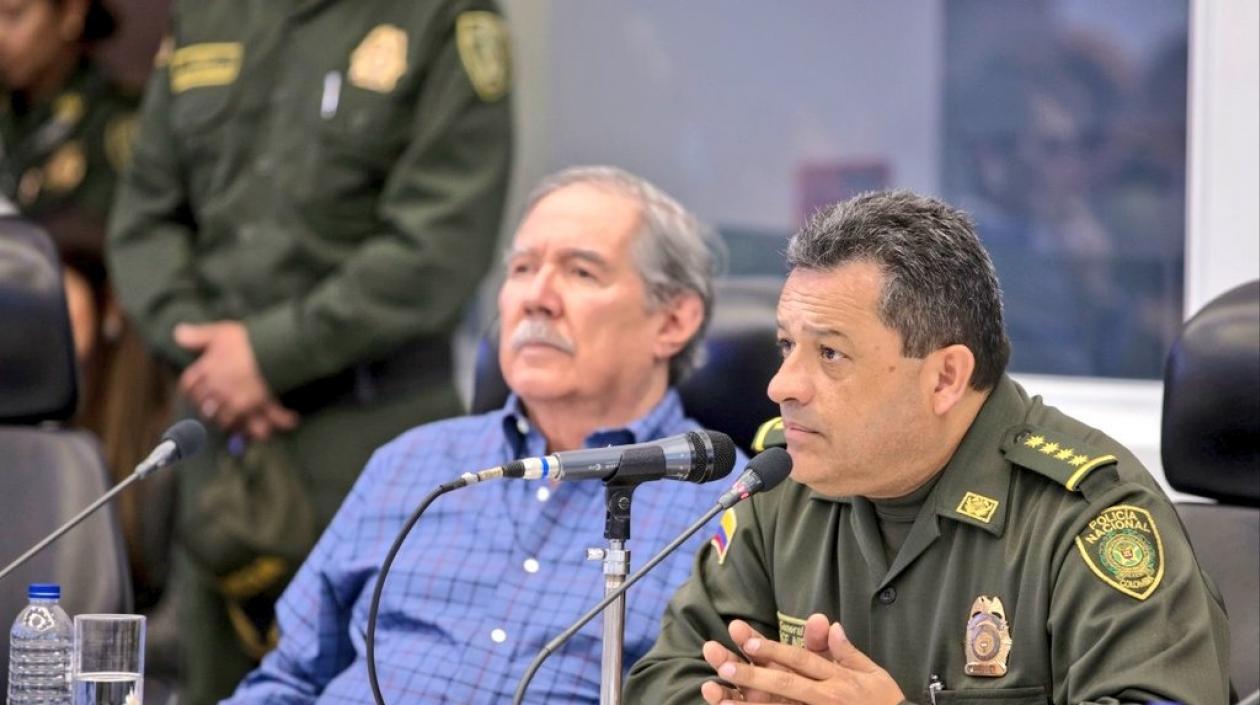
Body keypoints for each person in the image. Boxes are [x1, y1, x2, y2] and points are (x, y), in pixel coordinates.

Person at [625, 190, 1231, 705]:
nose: (781, 385)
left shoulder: (1087, 516)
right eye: (787, 345)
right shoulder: (782, 481)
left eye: (830, 353)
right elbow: (664, 677)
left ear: (945, 378)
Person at [106, 1, 513, 702]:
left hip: (374, 441)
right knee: (215, 682)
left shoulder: (442, 17)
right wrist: (201, 349)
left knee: (379, 682)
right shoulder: (209, 13)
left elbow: (440, 242)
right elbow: (145, 215)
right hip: (217, 437)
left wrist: (266, 355)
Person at [220, 166, 738, 704]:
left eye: (581, 273)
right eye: (520, 268)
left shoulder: (733, 510)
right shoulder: (413, 462)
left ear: (673, 321)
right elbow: (289, 680)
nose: (536, 297)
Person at [0, 0, 175, 605]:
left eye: (15, 15)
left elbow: (121, 252)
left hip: (106, 361)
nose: (1, 37)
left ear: (70, 16)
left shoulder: (116, 124)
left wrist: (81, 281)